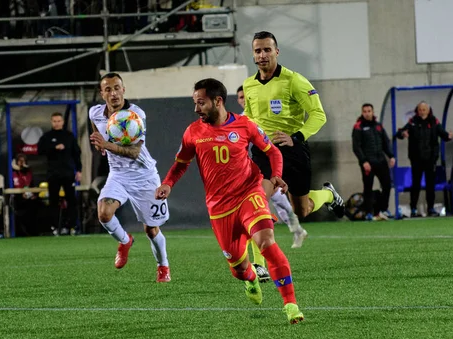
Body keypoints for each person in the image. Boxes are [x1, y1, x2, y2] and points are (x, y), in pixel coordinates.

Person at [155, 78, 304, 324]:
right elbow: (181, 164)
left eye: (201, 103)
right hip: (219, 208)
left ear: (218, 101)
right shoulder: (193, 132)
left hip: (249, 192)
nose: (196, 109)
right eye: (195, 103)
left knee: (266, 242)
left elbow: (272, 151)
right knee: (239, 270)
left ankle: (290, 304)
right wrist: (168, 183)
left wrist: (276, 174)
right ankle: (251, 279)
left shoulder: (245, 125)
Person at [242, 30, 344, 221]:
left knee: (302, 210)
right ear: (253, 54)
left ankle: (328, 195)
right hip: (264, 151)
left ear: (277, 52)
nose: (262, 55)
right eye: (258, 51)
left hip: (292, 150)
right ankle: (262, 243)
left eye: (267, 50)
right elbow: (249, 116)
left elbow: (318, 114)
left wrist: (296, 137)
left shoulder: (294, 80)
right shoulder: (249, 84)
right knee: (258, 198)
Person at [89, 72, 171, 283]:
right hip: (118, 175)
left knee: (151, 230)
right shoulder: (95, 113)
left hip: (144, 176)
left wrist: (107, 145)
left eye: (117, 88)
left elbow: (134, 152)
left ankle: (163, 266)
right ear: (102, 93)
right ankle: (125, 241)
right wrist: (100, 145)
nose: (113, 93)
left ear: (123, 90)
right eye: (108, 89)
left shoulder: (135, 114)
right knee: (104, 214)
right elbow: (96, 129)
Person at [237, 85, 308, 249]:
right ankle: (296, 230)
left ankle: (268, 240)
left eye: (245, 96)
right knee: (277, 201)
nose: (243, 100)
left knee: (265, 201)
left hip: (265, 166)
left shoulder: (264, 116)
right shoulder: (238, 120)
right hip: (248, 168)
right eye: (241, 97)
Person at [396, 101, 453, 217]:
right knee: (415, 184)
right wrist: (403, 134)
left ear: (428, 110)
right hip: (416, 158)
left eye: (424, 109)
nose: (422, 112)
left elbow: (444, 135)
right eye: (420, 109)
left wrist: (449, 136)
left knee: (430, 184)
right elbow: (400, 133)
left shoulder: (434, 121)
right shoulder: (413, 122)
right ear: (417, 110)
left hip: (430, 158)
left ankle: (431, 208)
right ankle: (413, 209)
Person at [37, 112, 82, 235]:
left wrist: (79, 170)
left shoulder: (69, 136)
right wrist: (54, 148)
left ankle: (72, 226)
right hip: (53, 174)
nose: (57, 123)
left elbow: (76, 153)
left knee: (71, 200)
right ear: (51, 122)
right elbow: (39, 150)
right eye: (54, 121)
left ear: (62, 122)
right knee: (53, 201)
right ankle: (54, 227)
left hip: (68, 173)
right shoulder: (47, 137)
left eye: (59, 121)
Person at [352, 103, 396, 221]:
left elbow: (386, 142)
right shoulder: (358, 127)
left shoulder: (378, 126)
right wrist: (364, 161)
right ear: (362, 113)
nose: (367, 113)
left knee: (387, 184)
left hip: (381, 161)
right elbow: (356, 147)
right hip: (368, 163)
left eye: (369, 111)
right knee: (368, 187)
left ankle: (383, 210)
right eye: (365, 111)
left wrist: (391, 156)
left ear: (373, 112)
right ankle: (368, 212)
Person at [11, 153, 39, 236]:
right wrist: (20, 195)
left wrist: (34, 194)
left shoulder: (29, 172)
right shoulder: (12, 173)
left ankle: (34, 232)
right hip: (18, 197)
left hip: (29, 197)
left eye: (23, 161)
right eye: (20, 161)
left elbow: (33, 185)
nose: (21, 163)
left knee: (34, 204)